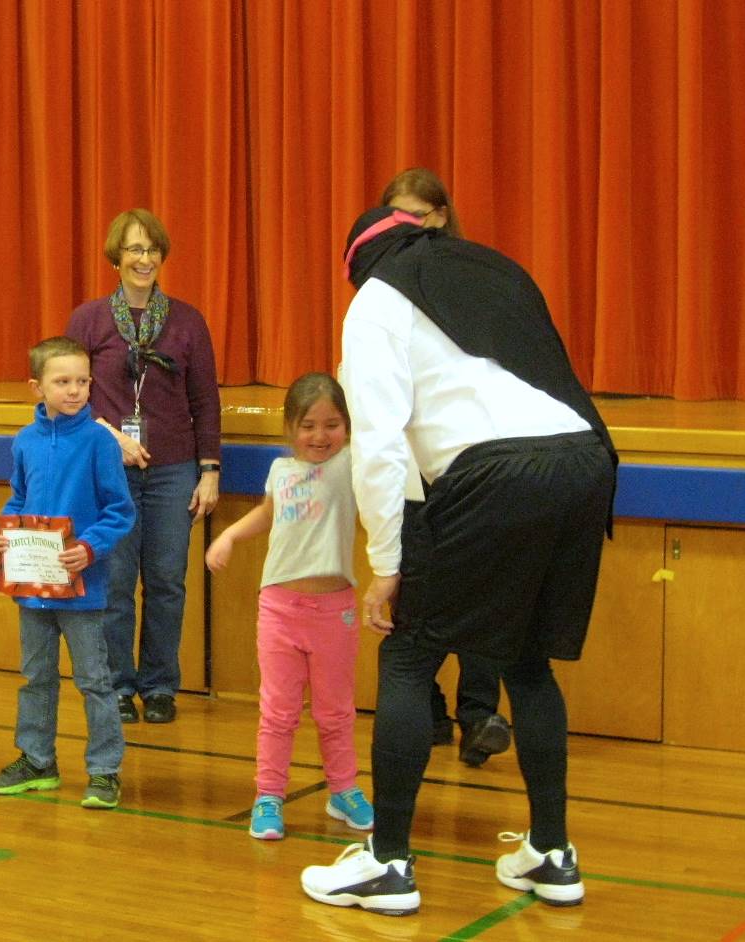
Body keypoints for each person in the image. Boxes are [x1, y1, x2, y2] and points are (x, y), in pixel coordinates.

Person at [300, 207, 617, 915]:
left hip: (489, 471)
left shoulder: (375, 302)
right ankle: (551, 854)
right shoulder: (491, 269)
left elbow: (379, 446)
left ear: (359, 262)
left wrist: (388, 564)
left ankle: (386, 864)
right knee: (525, 658)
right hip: (583, 458)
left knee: (409, 658)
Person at [66, 209, 222, 725]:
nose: (144, 258)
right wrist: (112, 437)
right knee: (114, 583)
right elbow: (69, 395)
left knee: (166, 581)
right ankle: (117, 685)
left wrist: (210, 470)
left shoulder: (187, 320)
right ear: (116, 257)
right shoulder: (88, 320)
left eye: (152, 249)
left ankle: (158, 686)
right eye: (133, 249)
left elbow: (205, 401)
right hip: (110, 471)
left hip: (174, 469)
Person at [205, 373, 374, 841]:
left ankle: (343, 789)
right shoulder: (281, 472)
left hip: (334, 611)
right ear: (289, 429)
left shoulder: (349, 465)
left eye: (332, 424)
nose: (320, 436)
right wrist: (229, 535)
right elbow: (269, 512)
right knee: (278, 712)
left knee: (335, 711)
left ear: (347, 427)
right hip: (280, 609)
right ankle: (269, 795)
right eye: (308, 426)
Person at [380, 168, 512, 767]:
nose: (410, 228)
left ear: (440, 217)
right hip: (411, 475)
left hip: (472, 468)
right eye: (397, 217)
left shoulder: (473, 281)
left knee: (484, 597)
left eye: (419, 216)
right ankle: (429, 709)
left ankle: (479, 714)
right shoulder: (381, 293)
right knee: (415, 605)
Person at [0, 337, 136, 809]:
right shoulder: (25, 441)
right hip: (33, 590)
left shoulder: (98, 442)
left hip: (84, 591)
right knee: (36, 676)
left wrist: (89, 548)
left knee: (94, 679)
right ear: (37, 387)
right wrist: (1, 532)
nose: (74, 390)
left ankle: (105, 770)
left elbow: (120, 510)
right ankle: (37, 760)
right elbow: (19, 499)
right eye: (62, 382)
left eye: (82, 381)